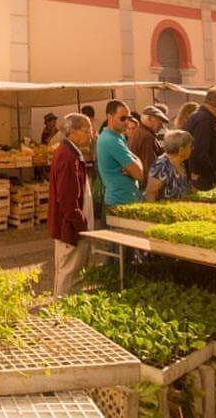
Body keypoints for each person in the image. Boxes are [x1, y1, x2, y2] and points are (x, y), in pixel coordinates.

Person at [49, 113, 95, 297]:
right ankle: (61, 320)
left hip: (74, 228)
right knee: (68, 277)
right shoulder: (68, 157)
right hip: (71, 230)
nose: (91, 134)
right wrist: (81, 225)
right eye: (87, 130)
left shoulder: (72, 153)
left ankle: (67, 316)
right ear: (73, 132)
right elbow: (68, 200)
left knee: (73, 277)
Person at [184, 86, 216, 190]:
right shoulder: (204, 119)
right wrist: (214, 176)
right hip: (206, 182)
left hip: (209, 180)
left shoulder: (205, 117)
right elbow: (199, 152)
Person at [96, 100, 143, 206]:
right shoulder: (111, 140)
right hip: (119, 203)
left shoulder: (117, 137)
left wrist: (135, 162)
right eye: (122, 118)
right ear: (109, 117)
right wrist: (137, 162)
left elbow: (136, 170)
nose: (126, 122)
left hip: (123, 201)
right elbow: (139, 174)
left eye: (128, 118)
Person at [145, 130, 193, 201]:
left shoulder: (182, 163)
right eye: (190, 146)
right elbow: (150, 194)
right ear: (181, 150)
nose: (192, 148)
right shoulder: (161, 165)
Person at [128, 105, 170, 188]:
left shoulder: (141, 132)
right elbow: (149, 166)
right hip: (146, 186)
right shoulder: (147, 137)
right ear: (150, 119)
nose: (161, 126)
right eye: (160, 122)